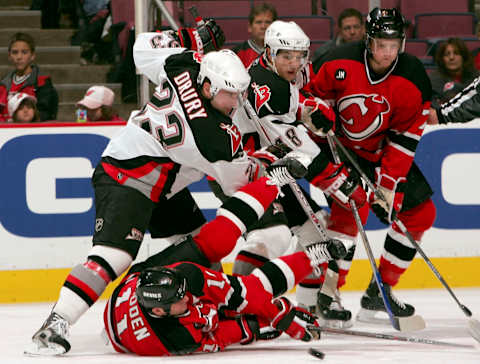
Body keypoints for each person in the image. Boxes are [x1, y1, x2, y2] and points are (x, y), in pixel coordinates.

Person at [24, 20, 274, 356]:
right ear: (211, 87)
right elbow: (237, 182)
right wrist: (270, 162)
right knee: (114, 256)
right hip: (128, 177)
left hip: (158, 182)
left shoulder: (185, 66)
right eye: (231, 93)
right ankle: (56, 323)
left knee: (204, 253)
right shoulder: (213, 138)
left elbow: (143, 47)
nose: (236, 100)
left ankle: (206, 313)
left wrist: (191, 38)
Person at [103, 165, 348, 356]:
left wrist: (279, 313)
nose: (188, 296)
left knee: (217, 241)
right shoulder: (176, 339)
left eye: (184, 292)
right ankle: (313, 256)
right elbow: (229, 333)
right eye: (181, 300)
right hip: (147, 332)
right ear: (160, 311)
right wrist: (267, 322)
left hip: (138, 279)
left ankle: (273, 181)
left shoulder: (186, 278)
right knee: (242, 313)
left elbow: (241, 292)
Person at [231, 19, 367, 327]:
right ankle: (237, 305)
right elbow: (299, 147)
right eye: (286, 56)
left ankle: (308, 308)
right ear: (269, 52)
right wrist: (339, 183)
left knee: (314, 233)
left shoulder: (284, 75)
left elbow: (300, 101)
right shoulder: (266, 86)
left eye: (299, 55)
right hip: (246, 172)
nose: (294, 63)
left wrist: (311, 107)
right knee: (270, 238)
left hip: (276, 170)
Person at [304, 8, 436, 325]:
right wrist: (316, 113)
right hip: (337, 147)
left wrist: (388, 188)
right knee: (352, 210)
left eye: (395, 44)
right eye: (381, 44)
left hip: (379, 152)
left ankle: (380, 291)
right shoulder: (337, 60)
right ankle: (327, 292)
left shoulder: (413, 76)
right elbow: (308, 97)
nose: (388, 52)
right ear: (368, 40)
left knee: (420, 212)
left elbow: (405, 140)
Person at [0, 33, 58, 122]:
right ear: (9, 56)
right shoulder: (3, 85)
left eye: (24, 52)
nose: (19, 57)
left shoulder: (42, 82)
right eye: (15, 52)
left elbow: (46, 114)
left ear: (32, 56)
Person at [429, 38, 479, 106]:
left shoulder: (476, 77)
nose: (451, 57)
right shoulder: (434, 79)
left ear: (463, 56)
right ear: (442, 59)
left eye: (456, 53)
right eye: (447, 54)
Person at [232, 2, 277, 68]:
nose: (263, 26)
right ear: (250, 27)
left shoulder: (282, 52)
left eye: (268, 22)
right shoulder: (237, 54)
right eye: (258, 22)